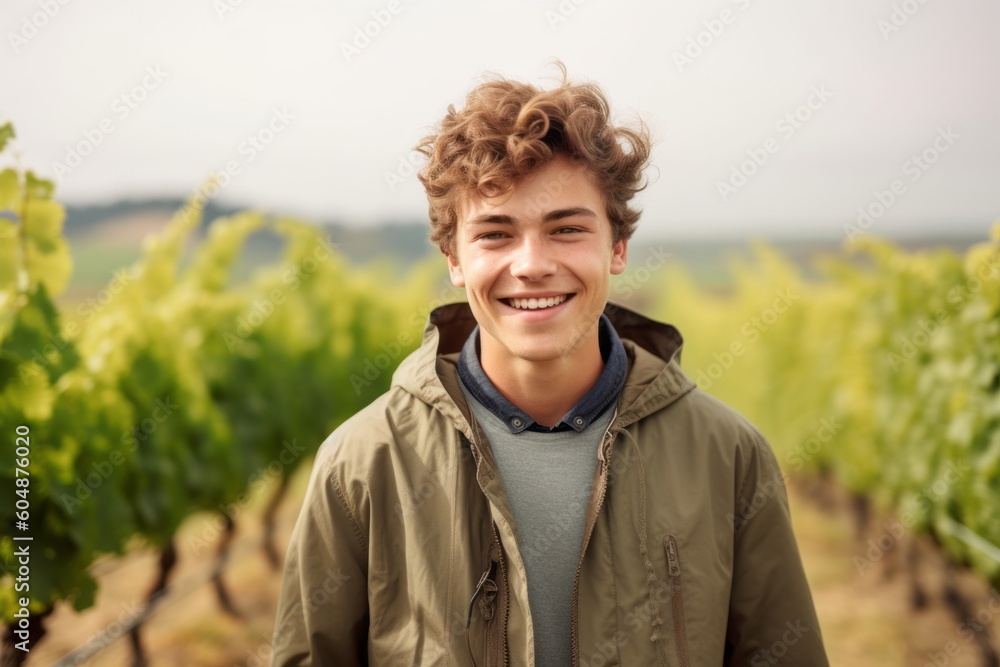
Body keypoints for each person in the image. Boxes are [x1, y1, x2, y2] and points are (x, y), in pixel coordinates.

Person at [270, 61, 829, 666]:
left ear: (617, 248)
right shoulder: (361, 465)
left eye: (565, 229)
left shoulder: (730, 457)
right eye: (495, 234)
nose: (531, 264)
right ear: (453, 259)